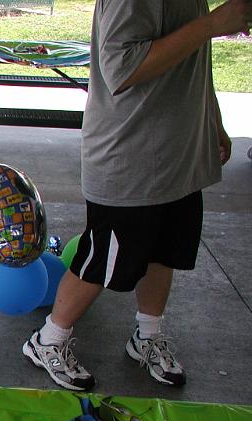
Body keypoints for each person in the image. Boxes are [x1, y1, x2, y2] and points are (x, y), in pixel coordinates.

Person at [22, 0, 252, 392]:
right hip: (129, 157)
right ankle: (48, 340)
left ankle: (147, 335)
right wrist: (213, 23)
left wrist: (212, 119)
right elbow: (122, 68)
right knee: (102, 260)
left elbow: (195, 59)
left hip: (178, 152)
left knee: (166, 250)